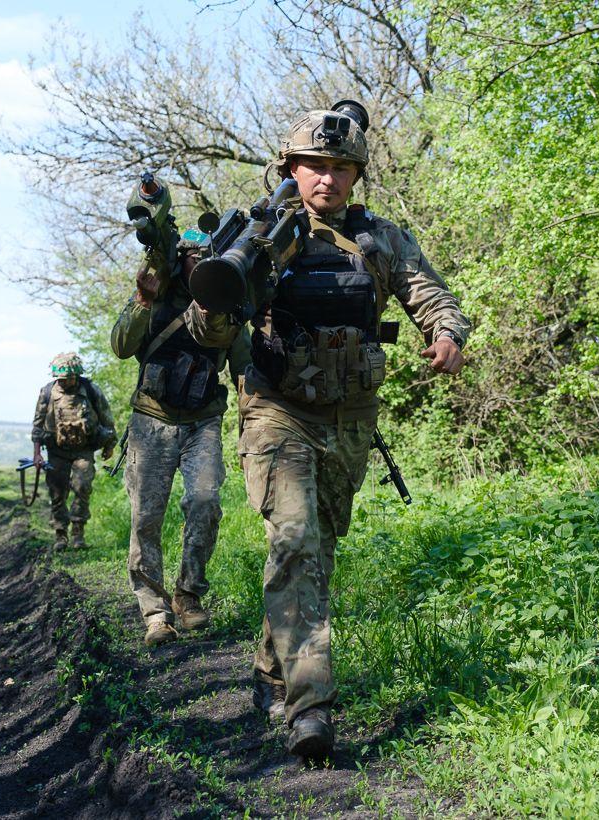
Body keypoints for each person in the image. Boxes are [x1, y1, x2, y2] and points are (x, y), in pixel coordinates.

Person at [186, 101, 470, 758]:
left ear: (356, 174)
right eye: (315, 164)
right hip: (275, 411)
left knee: (314, 552)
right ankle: (310, 708)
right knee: (296, 544)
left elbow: (431, 295)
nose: (328, 178)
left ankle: (270, 672)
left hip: (348, 417)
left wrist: (448, 334)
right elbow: (210, 333)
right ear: (290, 167)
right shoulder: (258, 235)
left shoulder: (381, 239)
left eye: (342, 167)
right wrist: (222, 293)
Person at [111, 240, 250, 648]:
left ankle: (188, 595)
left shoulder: (227, 305)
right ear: (179, 260)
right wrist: (142, 299)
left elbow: (244, 370)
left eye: (208, 258)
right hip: (152, 421)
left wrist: (250, 429)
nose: (201, 264)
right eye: (193, 257)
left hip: (203, 421)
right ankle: (155, 612)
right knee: (146, 517)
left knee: (205, 502)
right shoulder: (155, 300)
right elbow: (120, 346)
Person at [30, 353, 117, 551]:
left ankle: (78, 533)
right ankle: (60, 534)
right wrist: (37, 453)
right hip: (56, 451)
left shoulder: (91, 391)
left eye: (69, 378)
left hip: (83, 451)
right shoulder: (47, 392)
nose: (65, 382)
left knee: (82, 487)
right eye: (61, 378)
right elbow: (37, 425)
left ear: (77, 375)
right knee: (57, 492)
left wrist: (109, 445)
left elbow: (107, 419)